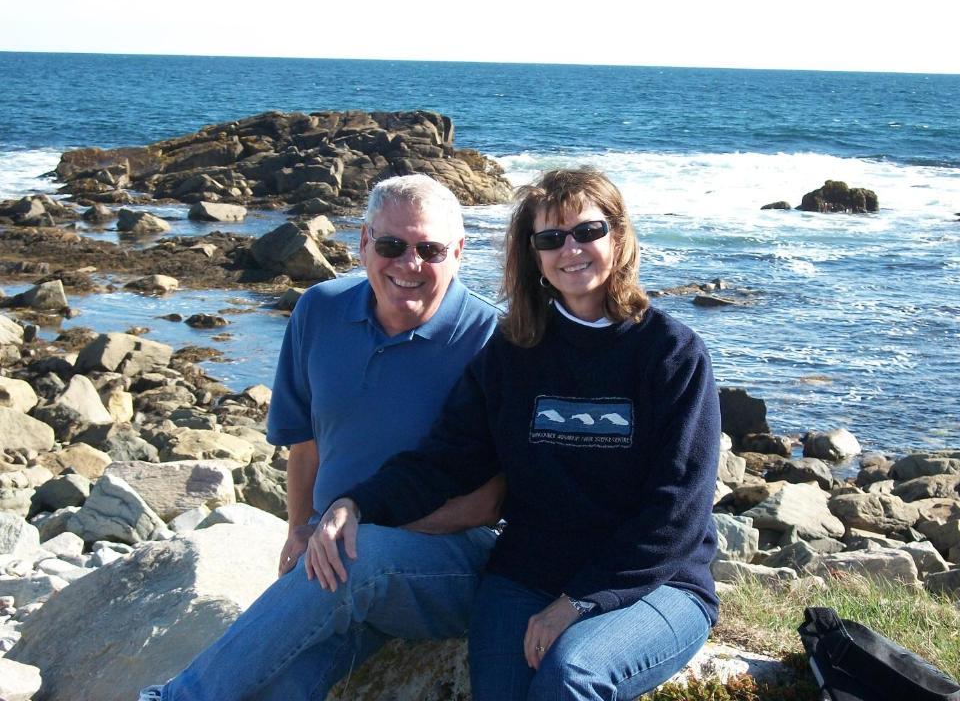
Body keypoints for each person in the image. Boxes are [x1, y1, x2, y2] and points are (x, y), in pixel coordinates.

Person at [313, 167, 721, 700]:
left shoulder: (671, 353)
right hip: (528, 574)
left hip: (656, 584)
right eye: (550, 239)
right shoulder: (512, 353)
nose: (570, 249)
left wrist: (579, 601)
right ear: (534, 256)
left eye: (588, 232)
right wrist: (355, 503)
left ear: (618, 237)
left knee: (570, 673)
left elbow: (676, 512)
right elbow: (447, 461)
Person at [139, 174, 505, 700]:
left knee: (357, 558)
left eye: (430, 248)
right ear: (362, 242)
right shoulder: (320, 309)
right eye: (391, 245)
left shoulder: (492, 340)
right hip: (340, 557)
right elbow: (305, 441)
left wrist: (352, 526)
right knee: (275, 686)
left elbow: (488, 505)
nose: (410, 264)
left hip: (449, 563)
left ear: (460, 252)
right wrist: (298, 530)